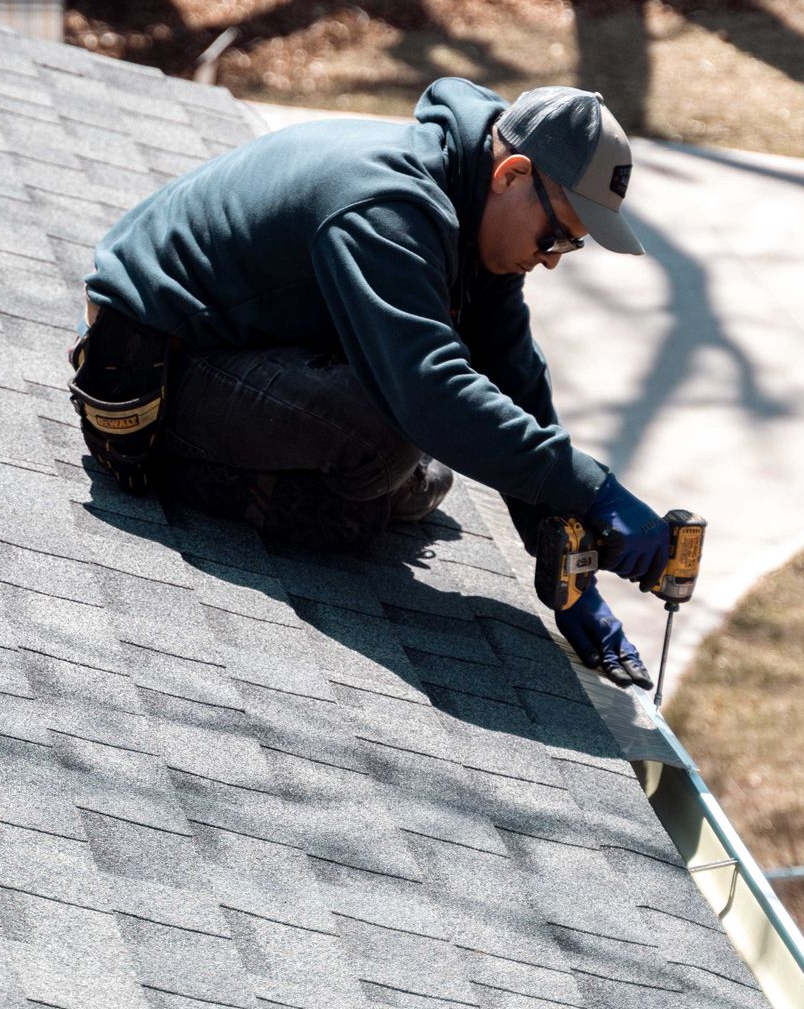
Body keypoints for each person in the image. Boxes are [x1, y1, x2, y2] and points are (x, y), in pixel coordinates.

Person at [71, 77, 670, 687]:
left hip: (233, 344)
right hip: (148, 373)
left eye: (572, 247)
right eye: (558, 235)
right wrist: (596, 491)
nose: (552, 259)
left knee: (407, 454)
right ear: (512, 174)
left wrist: (564, 562)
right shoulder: (387, 206)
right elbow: (429, 389)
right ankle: (164, 466)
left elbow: (512, 371)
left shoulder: (468, 199)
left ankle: (354, 483)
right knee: (385, 441)